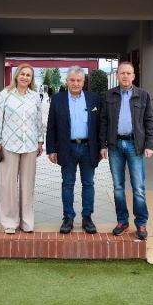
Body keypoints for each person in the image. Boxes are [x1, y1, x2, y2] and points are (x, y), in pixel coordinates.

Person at [99, 61, 153, 240]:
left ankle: (141, 223)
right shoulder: (108, 95)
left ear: (133, 76)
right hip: (115, 145)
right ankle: (122, 221)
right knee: (118, 187)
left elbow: (150, 121)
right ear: (117, 75)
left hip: (135, 145)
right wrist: (102, 145)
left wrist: (149, 144)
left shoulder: (143, 95)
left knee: (138, 187)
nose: (125, 76)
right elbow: (103, 121)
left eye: (128, 73)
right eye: (122, 73)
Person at [46, 66, 101, 234]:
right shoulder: (57, 99)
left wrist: (102, 146)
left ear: (83, 82)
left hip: (88, 148)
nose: (75, 83)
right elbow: (51, 126)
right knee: (68, 183)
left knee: (88, 183)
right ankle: (68, 218)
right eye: (72, 80)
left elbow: (100, 125)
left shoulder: (94, 99)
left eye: (78, 80)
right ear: (67, 81)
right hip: (66, 148)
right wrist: (51, 149)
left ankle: (87, 218)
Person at [0, 63, 44, 234]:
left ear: (31, 79)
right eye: (22, 74)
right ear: (16, 75)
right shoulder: (4, 94)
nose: (25, 77)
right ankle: (9, 222)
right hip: (9, 145)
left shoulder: (35, 97)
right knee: (8, 185)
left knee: (28, 185)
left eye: (28, 75)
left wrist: (40, 141)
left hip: (30, 145)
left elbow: (38, 120)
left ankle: (27, 221)